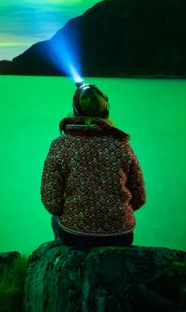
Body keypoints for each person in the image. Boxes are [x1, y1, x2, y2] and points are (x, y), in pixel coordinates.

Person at [40, 82, 146, 249]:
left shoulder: (60, 145)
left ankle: (63, 255)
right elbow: (139, 197)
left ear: (75, 110)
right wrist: (115, 213)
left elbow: (51, 201)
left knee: (55, 219)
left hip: (76, 236)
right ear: (106, 111)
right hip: (120, 236)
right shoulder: (122, 145)